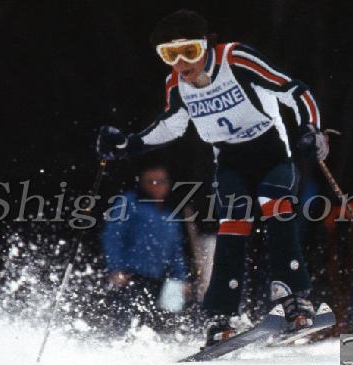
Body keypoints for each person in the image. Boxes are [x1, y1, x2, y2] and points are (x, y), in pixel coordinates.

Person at [96, 10, 329, 347]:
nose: (181, 63)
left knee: (275, 207)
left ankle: (294, 299)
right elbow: (171, 125)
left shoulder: (236, 59)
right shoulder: (176, 84)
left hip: (271, 153)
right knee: (231, 227)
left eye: (189, 51)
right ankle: (221, 316)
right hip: (231, 162)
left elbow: (295, 91)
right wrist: (127, 146)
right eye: (169, 55)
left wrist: (312, 129)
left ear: (206, 45)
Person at [102, 165, 189, 334]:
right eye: (151, 181)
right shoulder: (129, 203)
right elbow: (113, 237)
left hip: (158, 279)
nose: (157, 186)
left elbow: (175, 250)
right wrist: (115, 268)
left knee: (157, 325)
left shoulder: (170, 212)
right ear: (141, 183)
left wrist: (180, 278)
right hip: (130, 277)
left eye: (161, 181)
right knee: (126, 324)